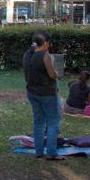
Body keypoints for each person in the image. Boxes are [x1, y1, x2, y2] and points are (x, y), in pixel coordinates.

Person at [23, 30, 63, 160]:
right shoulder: (45, 55)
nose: (49, 45)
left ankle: (38, 151)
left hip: (32, 92)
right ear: (45, 43)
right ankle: (51, 152)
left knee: (38, 122)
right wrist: (58, 73)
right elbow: (52, 74)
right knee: (52, 123)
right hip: (47, 94)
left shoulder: (27, 54)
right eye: (48, 43)